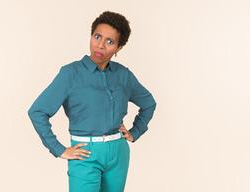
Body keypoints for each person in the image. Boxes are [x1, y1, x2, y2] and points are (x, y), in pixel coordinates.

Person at [28, 11, 156, 192]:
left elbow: (149, 103)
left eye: (110, 42)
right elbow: (37, 111)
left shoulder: (124, 75)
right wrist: (58, 149)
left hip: (119, 152)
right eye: (97, 37)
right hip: (85, 154)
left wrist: (135, 131)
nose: (101, 45)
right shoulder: (70, 74)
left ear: (119, 48)